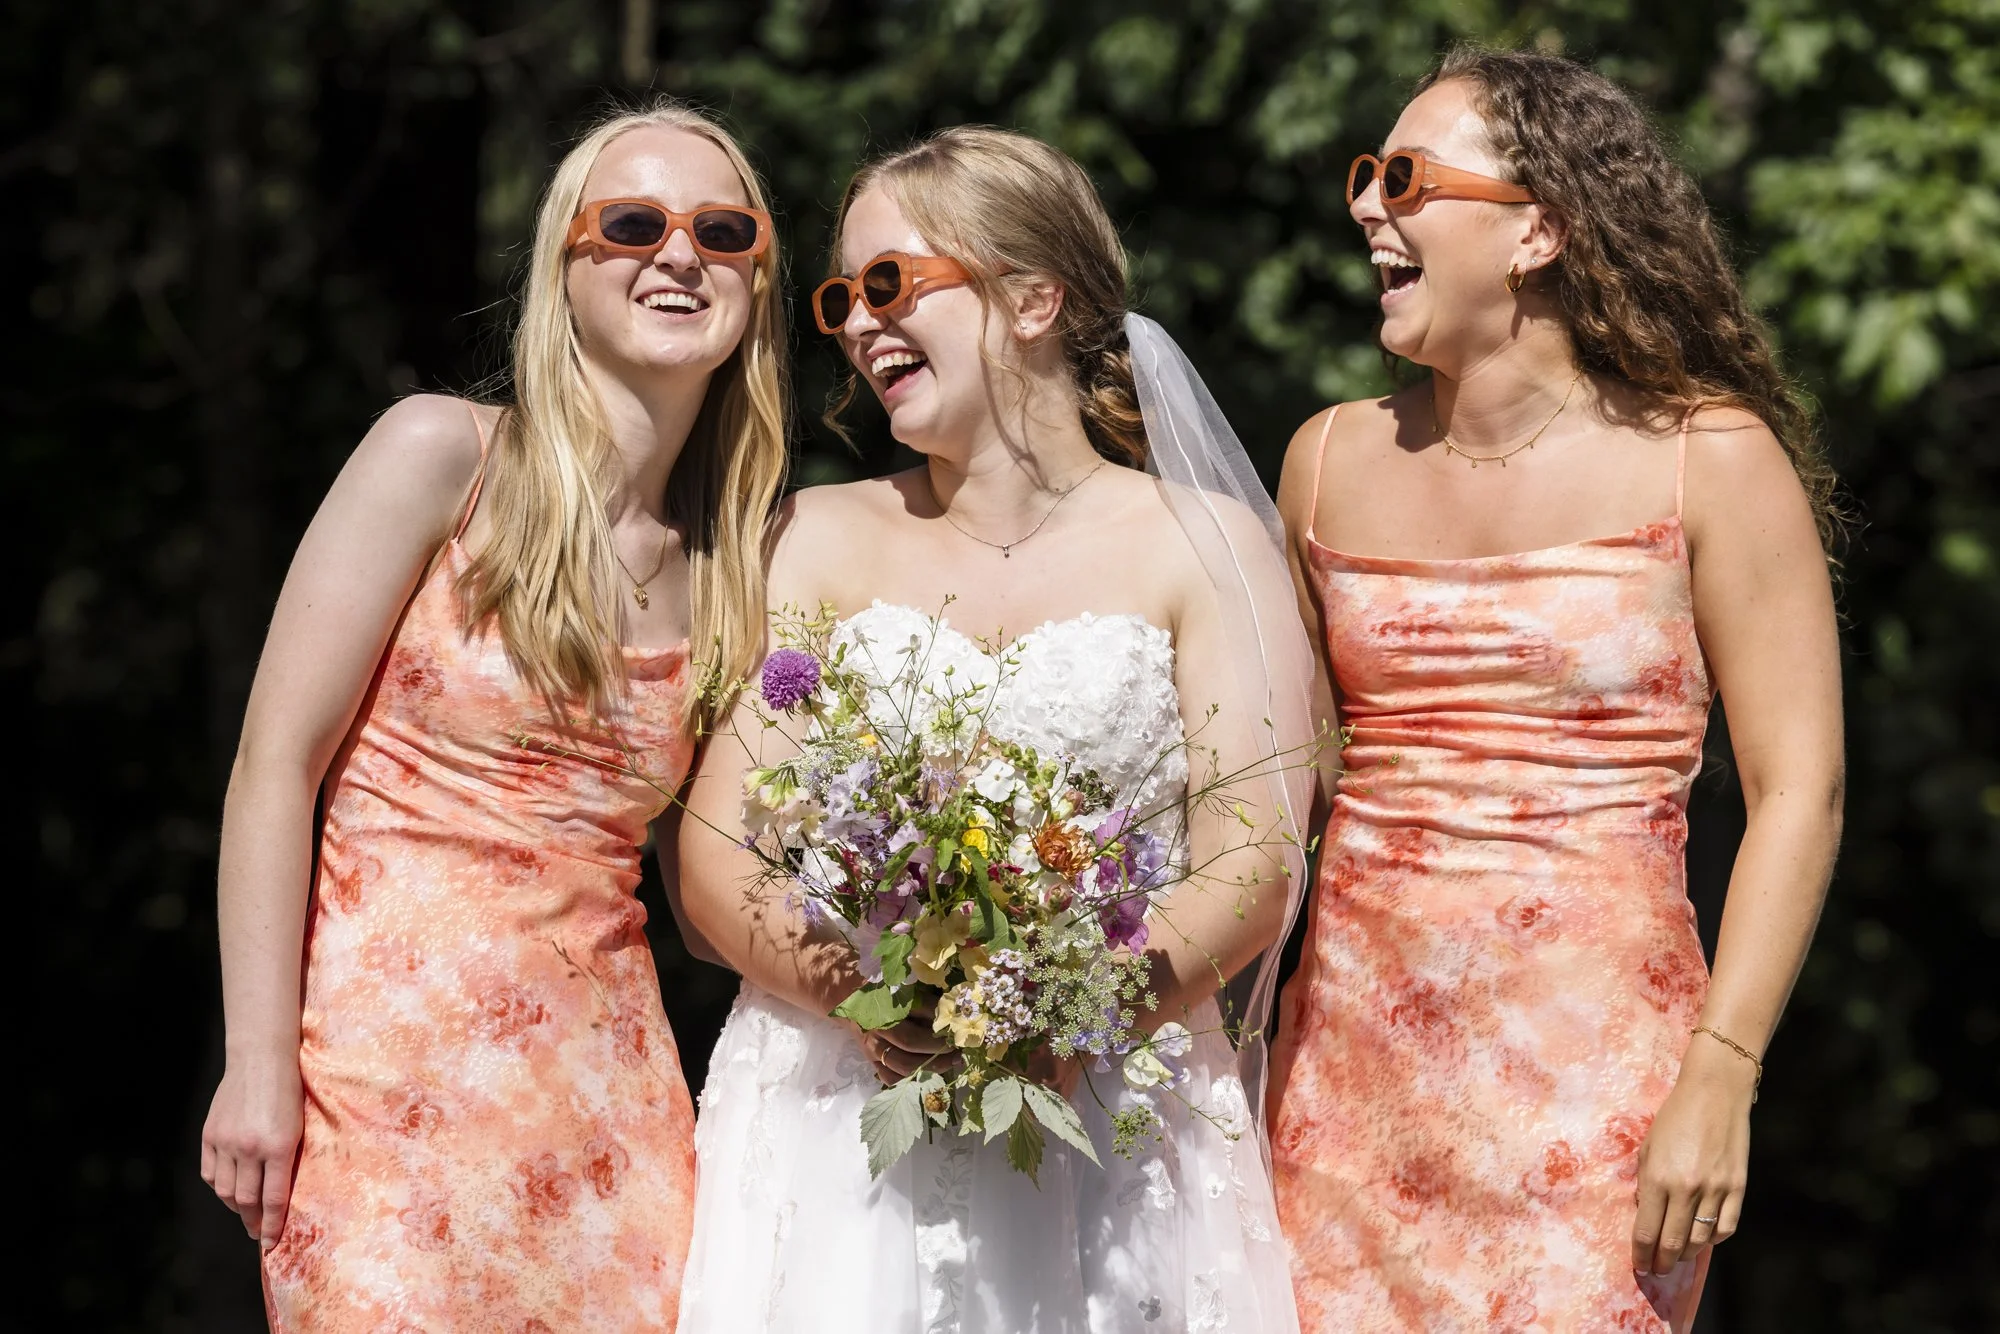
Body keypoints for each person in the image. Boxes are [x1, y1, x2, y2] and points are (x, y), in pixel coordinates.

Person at [673, 126, 1316, 1333]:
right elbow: (713, 851)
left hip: (1117, 1127)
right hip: (836, 1118)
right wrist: (881, 1003)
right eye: (841, 297)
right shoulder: (806, 534)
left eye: (890, 283)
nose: (858, 326)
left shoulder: (1207, 543)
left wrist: (1061, 1019)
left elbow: (1251, 853)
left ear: (1031, 296)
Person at [1266, 48, 1845, 1332]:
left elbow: (1798, 791)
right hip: (1345, 1082)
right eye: (1366, 174)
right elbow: (1273, 791)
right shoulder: (1323, 461)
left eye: (1404, 175)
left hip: (1600, 1094)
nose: (1366, 204)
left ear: (1538, 229)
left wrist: (1722, 1072)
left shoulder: (1709, 458)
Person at [196, 100, 788, 1331]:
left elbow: (702, 892)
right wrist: (257, 1061)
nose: (680, 254)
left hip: (608, 1107)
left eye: (723, 231)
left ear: (756, 280)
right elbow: (272, 766)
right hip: (378, 1083)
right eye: (633, 222)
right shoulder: (438, 455)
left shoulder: (739, 561)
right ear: (563, 268)